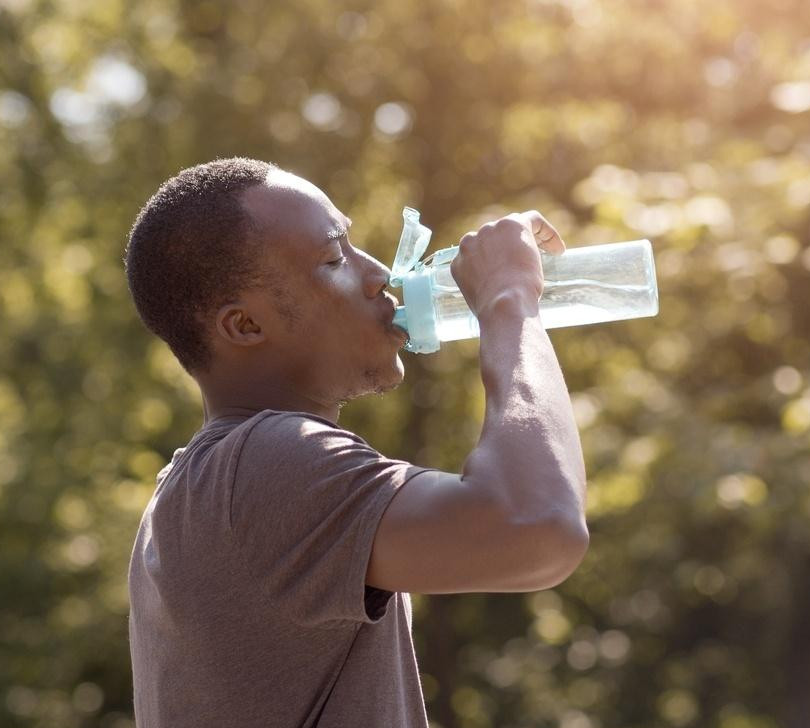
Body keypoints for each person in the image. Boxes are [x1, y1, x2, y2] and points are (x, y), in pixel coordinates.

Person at [122, 157, 589, 727]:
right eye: (333, 258)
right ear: (245, 326)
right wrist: (509, 301)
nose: (379, 276)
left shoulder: (201, 485)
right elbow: (538, 527)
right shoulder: (266, 463)